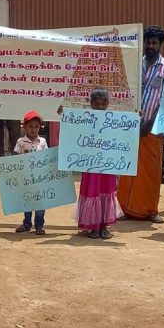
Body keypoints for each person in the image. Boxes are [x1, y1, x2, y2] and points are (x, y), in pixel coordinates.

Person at [117, 25, 164, 223]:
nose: (150, 46)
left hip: (153, 126)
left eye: (154, 43)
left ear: (160, 44)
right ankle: (125, 208)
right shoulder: (134, 63)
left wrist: (149, 123)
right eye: (148, 42)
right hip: (129, 125)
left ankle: (150, 210)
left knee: (151, 169)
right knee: (127, 167)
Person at [68, 89, 122, 239]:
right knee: (92, 192)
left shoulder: (113, 121)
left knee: (106, 191)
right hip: (90, 165)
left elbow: (124, 135)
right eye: (96, 104)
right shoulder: (85, 120)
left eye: (103, 104)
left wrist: (137, 118)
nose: (99, 107)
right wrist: (63, 115)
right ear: (91, 104)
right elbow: (72, 131)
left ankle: (103, 226)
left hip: (107, 165)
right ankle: (93, 227)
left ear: (107, 104)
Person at [13, 110, 49, 235]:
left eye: (36, 127)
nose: (33, 129)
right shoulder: (20, 142)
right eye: (30, 126)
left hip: (40, 178)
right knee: (27, 201)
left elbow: (47, 158)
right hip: (26, 178)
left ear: (40, 127)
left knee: (40, 202)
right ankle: (26, 224)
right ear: (24, 127)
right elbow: (15, 158)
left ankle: (39, 226)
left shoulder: (42, 141)